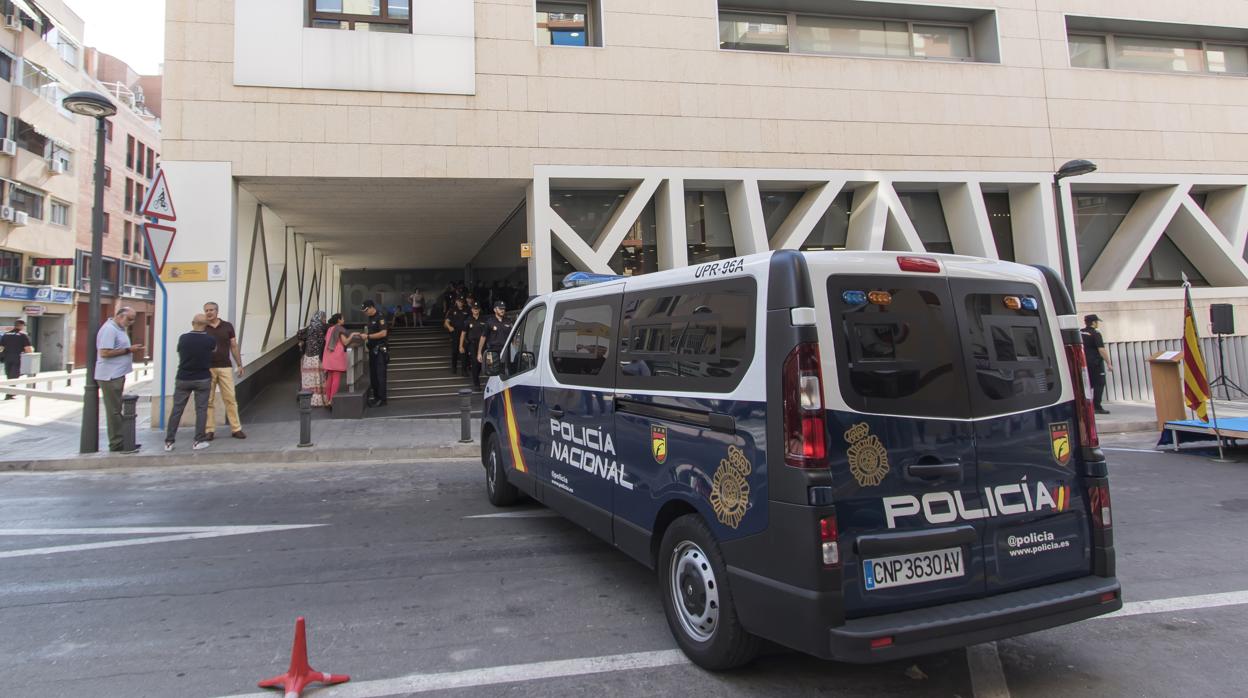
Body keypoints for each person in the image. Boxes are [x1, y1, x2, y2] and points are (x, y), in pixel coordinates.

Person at [164, 314, 217, 451]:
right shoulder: (210, 340)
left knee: (177, 410)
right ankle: (198, 440)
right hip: (203, 377)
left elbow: (179, 350)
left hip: (183, 377)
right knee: (201, 410)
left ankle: (169, 442)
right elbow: (214, 350)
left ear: (192, 323)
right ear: (206, 325)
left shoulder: (183, 338)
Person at [96, 307, 143, 452]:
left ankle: (123, 439)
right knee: (114, 411)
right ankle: (117, 443)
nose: (131, 322)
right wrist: (129, 350)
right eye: (129, 319)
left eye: (133, 319)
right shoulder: (110, 329)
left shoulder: (119, 329)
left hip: (116, 374)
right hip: (110, 376)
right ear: (120, 316)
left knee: (117, 409)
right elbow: (104, 352)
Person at [203, 302, 246, 440]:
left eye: (211, 310)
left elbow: (233, 346)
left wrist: (239, 364)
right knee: (208, 400)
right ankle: (209, 430)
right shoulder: (203, 327)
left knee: (230, 398)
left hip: (225, 367)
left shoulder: (227, 326)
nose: (209, 313)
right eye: (206, 310)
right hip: (207, 368)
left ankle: (236, 429)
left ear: (217, 311)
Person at [1081, 314, 1114, 415]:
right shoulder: (1096, 334)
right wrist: (1109, 363)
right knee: (1099, 384)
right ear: (1094, 322)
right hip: (1095, 363)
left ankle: (1085, 406)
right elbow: (1101, 349)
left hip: (1083, 362)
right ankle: (1097, 406)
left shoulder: (1080, 332)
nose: (1098, 323)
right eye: (1097, 322)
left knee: (1087, 384)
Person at [322, 313, 357, 406]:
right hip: (336, 355)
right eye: (342, 318)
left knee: (329, 378)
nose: (344, 320)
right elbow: (345, 342)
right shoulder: (339, 329)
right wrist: (352, 335)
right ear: (338, 320)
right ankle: (332, 400)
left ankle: (327, 399)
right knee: (336, 378)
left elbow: (326, 340)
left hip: (328, 355)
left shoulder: (330, 329)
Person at [360, 300, 389, 406]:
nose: (365, 312)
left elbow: (383, 333)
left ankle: (382, 399)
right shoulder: (370, 318)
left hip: (380, 350)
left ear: (372, 307)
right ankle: (376, 397)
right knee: (374, 375)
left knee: (380, 375)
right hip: (373, 349)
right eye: (364, 311)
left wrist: (368, 336)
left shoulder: (380, 316)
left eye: (366, 310)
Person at [299, 311, 329, 407]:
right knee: (318, 377)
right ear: (321, 318)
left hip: (308, 357)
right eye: (324, 318)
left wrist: (302, 342)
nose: (325, 320)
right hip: (317, 357)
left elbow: (299, 333)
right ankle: (319, 400)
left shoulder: (310, 327)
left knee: (309, 378)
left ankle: (308, 399)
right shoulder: (321, 326)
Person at [0, 319, 33, 399]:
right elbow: (28, 349)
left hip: (7, 358)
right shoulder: (23, 335)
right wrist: (31, 353)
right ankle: (10, 393)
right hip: (18, 358)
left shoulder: (6, 334)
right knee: (15, 375)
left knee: (9, 375)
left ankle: (11, 392)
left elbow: (1, 347)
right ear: (21, 326)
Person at [461, 303, 488, 390]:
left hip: (482, 344)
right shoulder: (468, 320)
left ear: (479, 310)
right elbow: (463, 333)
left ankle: (476, 375)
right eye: (474, 308)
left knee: (481, 363)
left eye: (477, 308)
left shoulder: (484, 320)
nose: (475, 310)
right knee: (474, 362)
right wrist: (461, 345)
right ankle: (476, 383)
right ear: (472, 310)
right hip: (472, 344)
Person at [481, 300, 514, 371]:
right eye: (500, 308)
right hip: (493, 351)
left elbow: (513, 337)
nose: (502, 310)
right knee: (492, 371)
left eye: (503, 309)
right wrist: (479, 352)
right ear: (495, 310)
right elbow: (483, 337)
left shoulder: (508, 321)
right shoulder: (489, 322)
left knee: (506, 371)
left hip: (506, 350)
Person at [444, 296, 470, 374]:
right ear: (456, 301)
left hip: (465, 333)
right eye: (459, 301)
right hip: (455, 333)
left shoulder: (467, 309)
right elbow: (446, 321)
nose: (460, 303)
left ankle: (464, 370)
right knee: (455, 351)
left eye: (462, 301)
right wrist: (449, 327)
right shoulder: (452, 310)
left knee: (463, 351)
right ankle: (454, 367)